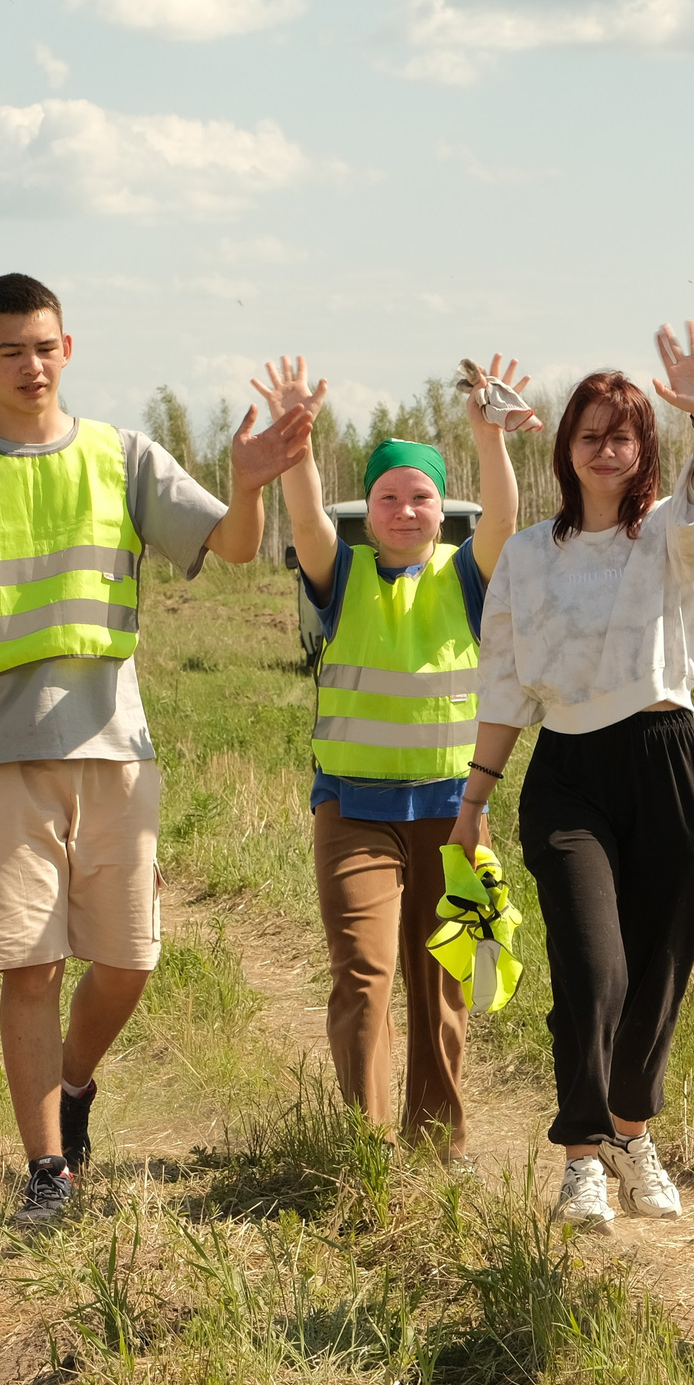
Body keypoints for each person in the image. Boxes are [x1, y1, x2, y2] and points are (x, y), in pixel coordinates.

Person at [0, 273, 314, 1223]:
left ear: (66, 349)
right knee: (30, 966)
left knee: (131, 959)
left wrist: (248, 486)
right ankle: (47, 1171)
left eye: (44, 347)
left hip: (117, 748)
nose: (31, 366)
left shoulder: (124, 456)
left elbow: (234, 548)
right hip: (1, 757)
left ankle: (72, 1083)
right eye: (10, 351)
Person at [452, 325, 694, 1231]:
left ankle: (632, 1136)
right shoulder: (528, 554)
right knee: (592, 966)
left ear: (644, 449)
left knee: (657, 969)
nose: (607, 449)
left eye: (624, 435)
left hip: (665, 761)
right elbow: (504, 681)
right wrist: (474, 799)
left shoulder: (667, 537)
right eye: (590, 434)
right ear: (567, 446)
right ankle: (582, 1157)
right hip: (568, 771)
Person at [266, 354, 525, 1163]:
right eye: (388, 497)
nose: (405, 510)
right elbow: (305, 516)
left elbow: (505, 517)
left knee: (445, 981)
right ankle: (367, 1150)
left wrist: (490, 437)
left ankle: (438, 1146)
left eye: (421, 497)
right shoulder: (340, 574)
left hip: (455, 814)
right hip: (353, 811)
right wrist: (297, 445)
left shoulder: (468, 574)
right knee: (365, 977)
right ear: (369, 511)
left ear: (442, 509)